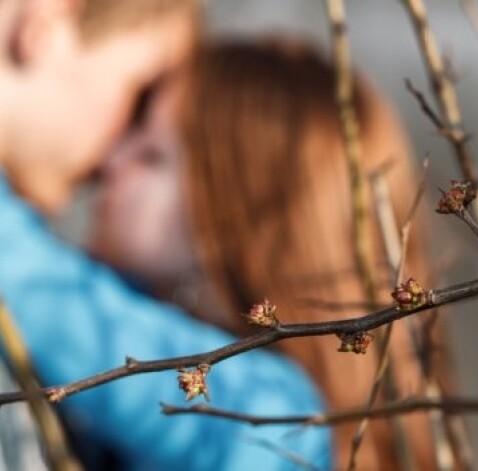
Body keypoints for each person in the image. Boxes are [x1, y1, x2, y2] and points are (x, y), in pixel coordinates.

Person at [90, 38, 452, 470]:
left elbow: (44, 290)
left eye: (152, 155)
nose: (110, 161)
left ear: (235, 213)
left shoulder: (278, 423)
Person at [0, 2, 331, 470]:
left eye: (152, 153)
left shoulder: (269, 408)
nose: (112, 159)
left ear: (225, 208)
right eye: (136, 100)